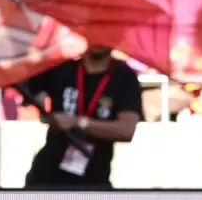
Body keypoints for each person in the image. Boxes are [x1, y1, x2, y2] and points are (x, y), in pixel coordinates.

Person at [21, 45, 142, 188]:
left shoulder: (124, 76)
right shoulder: (62, 68)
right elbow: (20, 81)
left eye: (103, 30)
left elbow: (126, 130)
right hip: (47, 176)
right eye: (93, 30)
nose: (99, 39)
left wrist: (77, 122)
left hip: (94, 178)